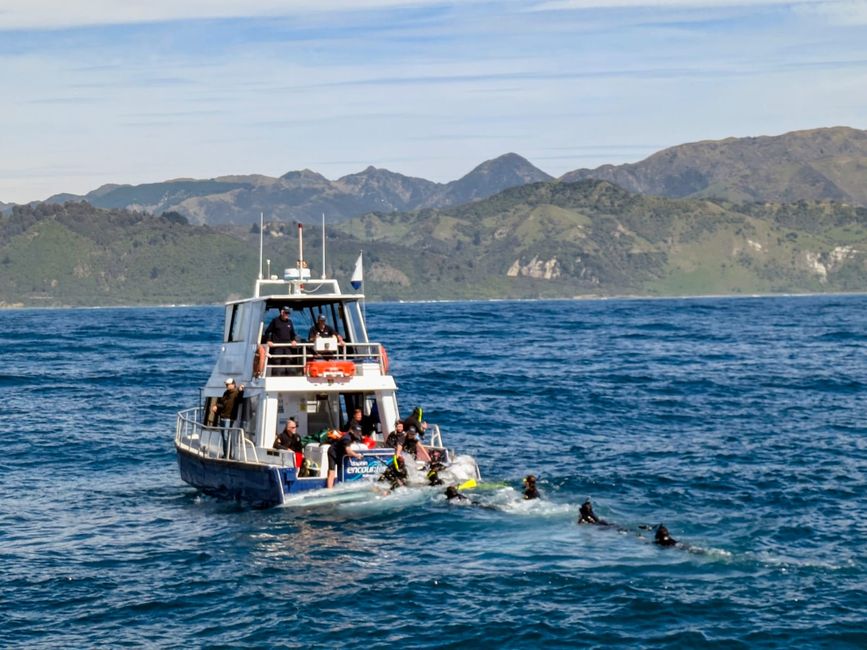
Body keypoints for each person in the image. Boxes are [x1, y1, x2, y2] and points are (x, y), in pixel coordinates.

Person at [263, 306, 297, 373]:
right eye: (286, 313)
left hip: (287, 347)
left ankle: (289, 379)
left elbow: (293, 334)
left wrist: (294, 340)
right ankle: (275, 379)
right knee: (277, 363)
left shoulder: (289, 322)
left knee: (288, 362)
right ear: (282, 312)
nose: (287, 314)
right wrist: (268, 340)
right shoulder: (275, 321)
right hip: (277, 347)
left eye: (288, 313)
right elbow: (267, 331)